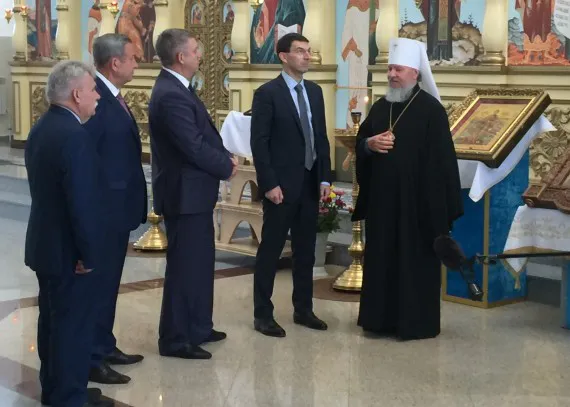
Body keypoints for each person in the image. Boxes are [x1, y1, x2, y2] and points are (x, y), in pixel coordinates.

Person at [352, 37, 463, 341]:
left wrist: (440, 211)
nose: (392, 74)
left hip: (418, 207)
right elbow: (361, 144)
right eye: (390, 69)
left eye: (398, 69)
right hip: (383, 204)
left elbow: (443, 164)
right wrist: (369, 145)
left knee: (414, 263)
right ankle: (378, 320)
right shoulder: (380, 107)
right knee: (382, 260)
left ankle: (415, 324)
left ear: (415, 73)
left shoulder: (432, 111)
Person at [24, 61, 110, 406]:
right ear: (77, 94)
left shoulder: (43, 127)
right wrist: (88, 254)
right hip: (68, 252)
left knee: (53, 323)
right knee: (72, 328)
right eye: (92, 89)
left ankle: (56, 388)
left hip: (46, 244)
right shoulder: (74, 136)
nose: (97, 95)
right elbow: (81, 202)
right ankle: (69, 397)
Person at [149, 28, 238, 359]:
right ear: (180, 56)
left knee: (199, 264)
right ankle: (175, 338)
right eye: (195, 50)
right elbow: (192, 145)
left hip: (195, 194)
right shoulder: (171, 93)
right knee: (185, 268)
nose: (200, 55)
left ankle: (198, 326)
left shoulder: (178, 87)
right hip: (184, 195)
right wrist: (225, 165)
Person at [250, 33, 332, 338]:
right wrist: (269, 183)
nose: (307, 56)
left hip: (310, 183)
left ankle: (304, 309)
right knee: (271, 250)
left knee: (305, 251)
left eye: (308, 51)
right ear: (283, 56)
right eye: (300, 51)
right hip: (280, 187)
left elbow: (320, 137)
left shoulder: (315, 92)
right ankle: (263, 314)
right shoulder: (267, 94)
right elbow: (260, 143)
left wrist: (325, 177)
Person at [83, 33, 147, 385]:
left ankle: (105, 345)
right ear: (114, 63)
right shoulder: (94, 98)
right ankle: (93, 357)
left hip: (118, 208)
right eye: (133, 58)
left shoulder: (113, 96)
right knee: (98, 286)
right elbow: (90, 159)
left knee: (109, 284)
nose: (137, 63)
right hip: (105, 211)